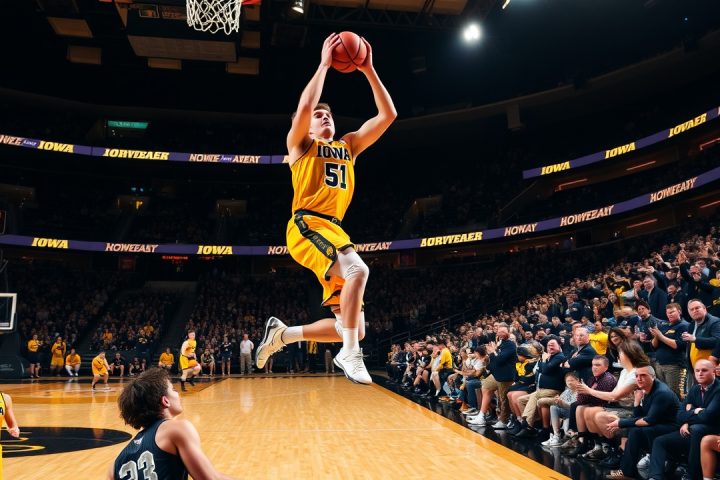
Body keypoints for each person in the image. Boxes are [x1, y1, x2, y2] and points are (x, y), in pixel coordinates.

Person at [254, 32, 397, 385]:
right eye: (319, 115)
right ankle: (349, 354)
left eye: (327, 115)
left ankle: (283, 335)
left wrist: (368, 69)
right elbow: (304, 107)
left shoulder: (349, 146)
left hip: (333, 229)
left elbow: (388, 114)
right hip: (306, 225)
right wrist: (323, 65)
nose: (324, 117)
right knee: (358, 270)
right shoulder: (300, 144)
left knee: (354, 327)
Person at [108, 369, 235, 480]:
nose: (178, 394)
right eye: (173, 389)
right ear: (165, 401)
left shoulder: (114, 466)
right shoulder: (176, 429)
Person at [647, 359, 720, 480]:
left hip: (713, 430)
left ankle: (692, 475)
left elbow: (708, 416)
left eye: (704, 370)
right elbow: (679, 415)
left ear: (713, 372)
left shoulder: (718, 389)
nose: (700, 373)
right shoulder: (695, 389)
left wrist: (689, 415)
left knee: (696, 429)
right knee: (660, 441)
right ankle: (655, 477)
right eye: (697, 371)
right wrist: (694, 412)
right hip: (692, 429)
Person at [604, 366, 680, 480]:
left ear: (653, 377)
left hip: (672, 427)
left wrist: (621, 422)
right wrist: (636, 401)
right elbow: (639, 417)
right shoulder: (645, 389)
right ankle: (627, 472)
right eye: (637, 376)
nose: (639, 378)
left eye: (643, 375)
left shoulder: (661, 393)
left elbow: (647, 421)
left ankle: (628, 472)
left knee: (636, 431)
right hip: (658, 423)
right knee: (634, 430)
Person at [649, 301, 690, 398]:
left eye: (672, 312)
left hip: (674, 365)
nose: (669, 314)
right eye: (667, 313)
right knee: (663, 393)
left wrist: (660, 336)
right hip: (659, 364)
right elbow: (654, 346)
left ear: (679, 311)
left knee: (675, 394)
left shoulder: (684, 325)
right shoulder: (664, 325)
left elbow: (679, 345)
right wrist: (656, 336)